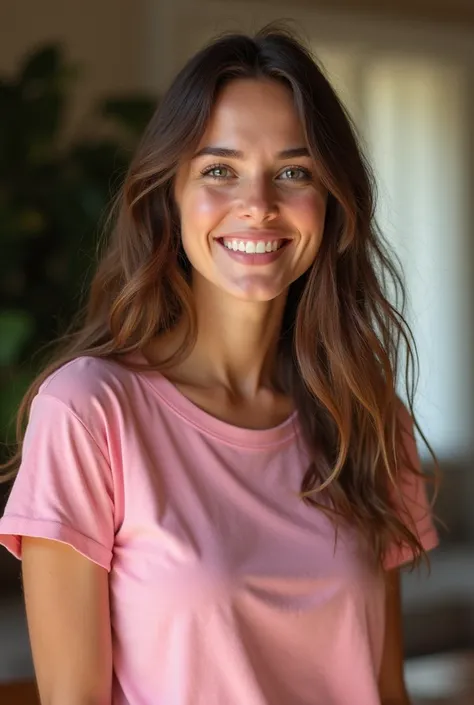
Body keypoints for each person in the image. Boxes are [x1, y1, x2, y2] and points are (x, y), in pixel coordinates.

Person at [0, 25, 439, 705]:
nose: (258, 204)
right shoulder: (88, 411)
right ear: (169, 196)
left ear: (330, 200)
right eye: (220, 170)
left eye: (294, 171)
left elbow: (384, 688)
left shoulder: (368, 417)